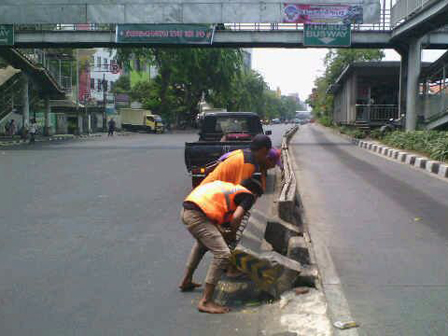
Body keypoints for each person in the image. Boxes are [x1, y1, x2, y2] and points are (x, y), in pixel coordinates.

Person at [180, 178, 264, 314]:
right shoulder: (248, 196)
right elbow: (236, 218)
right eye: (256, 198)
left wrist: (226, 232)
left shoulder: (230, 190)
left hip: (188, 211)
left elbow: (221, 217)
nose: (254, 202)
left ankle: (186, 280)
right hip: (197, 215)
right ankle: (206, 301)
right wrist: (232, 235)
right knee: (223, 254)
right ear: (254, 194)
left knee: (202, 245)